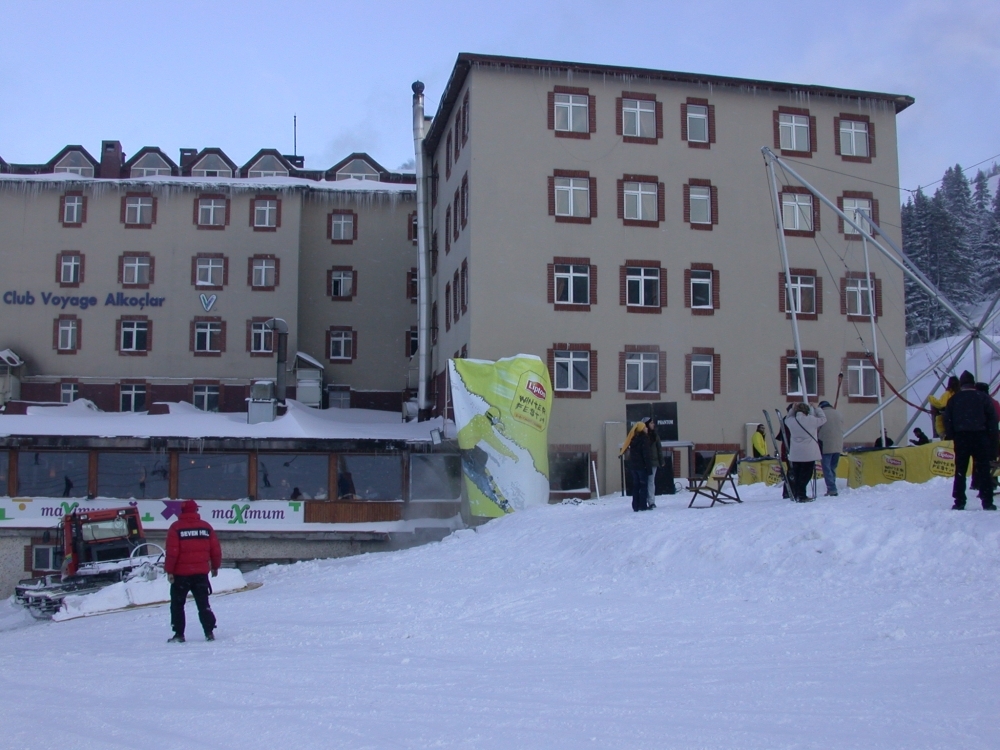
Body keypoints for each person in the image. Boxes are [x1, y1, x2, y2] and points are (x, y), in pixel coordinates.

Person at [165, 500, 222, 642]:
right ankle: (209, 632)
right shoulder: (206, 527)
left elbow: (172, 552)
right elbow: (215, 549)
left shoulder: (176, 527)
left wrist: (169, 571)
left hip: (180, 575)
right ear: (196, 510)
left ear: (182, 511)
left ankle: (179, 634)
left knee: (177, 605)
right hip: (200, 574)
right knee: (203, 604)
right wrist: (215, 566)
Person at [943, 370, 999, 511]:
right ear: (973, 384)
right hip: (980, 437)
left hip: (962, 437)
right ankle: (987, 501)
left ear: (961, 384)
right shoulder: (983, 397)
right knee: (984, 470)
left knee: (960, 470)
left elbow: (947, 420)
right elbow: (992, 420)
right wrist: (992, 440)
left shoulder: (954, 400)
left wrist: (953, 435)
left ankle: (959, 501)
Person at [783, 403, 827, 502]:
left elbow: (787, 418)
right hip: (808, 453)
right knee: (806, 475)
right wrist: (817, 408)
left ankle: (797, 494)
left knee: (797, 474)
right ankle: (801, 495)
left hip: (795, 453)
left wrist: (792, 409)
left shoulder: (790, 421)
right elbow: (823, 419)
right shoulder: (811, 420)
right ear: (806, 411)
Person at [620, 421, 653, 512]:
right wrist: (649, 468)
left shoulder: (633, 439)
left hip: (634, 467)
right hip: (642, 467)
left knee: (636, 486)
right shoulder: (644, 439)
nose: (647, 428)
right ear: (642, 429)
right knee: (643, 486)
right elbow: (646, 455)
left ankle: (635, 505)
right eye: (645, 427)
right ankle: (642, 505)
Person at [817, 401, 843, 497]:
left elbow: (817, 428)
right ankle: (832, 486)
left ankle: (832, 489)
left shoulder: (821, 414)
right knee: (832, 467)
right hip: (838, 445)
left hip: (825, 445)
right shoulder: (838, 413)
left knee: (826, 468)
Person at [644, 417, 664, 509]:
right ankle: (644, 501)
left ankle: (651, 501)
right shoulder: (642, 436)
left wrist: (661, 461)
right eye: (651, 423)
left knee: (651, 482)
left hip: (653, 462)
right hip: (644, 462)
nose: (653, 424)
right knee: (645, 482)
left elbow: (659, 449)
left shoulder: (655, 436)